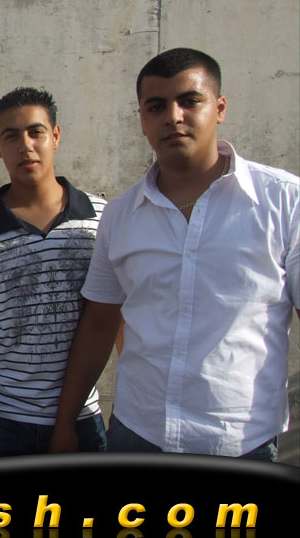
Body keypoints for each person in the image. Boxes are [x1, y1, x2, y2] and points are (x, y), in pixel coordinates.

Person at [49, 47, 299, 461]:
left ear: (219, 108)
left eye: (190, 101)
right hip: (138, 432)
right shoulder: (121, 215)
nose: (173, 116)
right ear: (142, 120)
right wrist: (65, 422)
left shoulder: (283, 203)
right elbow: (98, 324)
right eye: (157, 106)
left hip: (241, 442)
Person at [0, 87, 108, 462]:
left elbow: (114, 320)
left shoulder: (102, 221)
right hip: (2, 422)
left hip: (82, 416)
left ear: (55, 135)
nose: (25, 146)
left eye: (35, 132)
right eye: (11, 136)